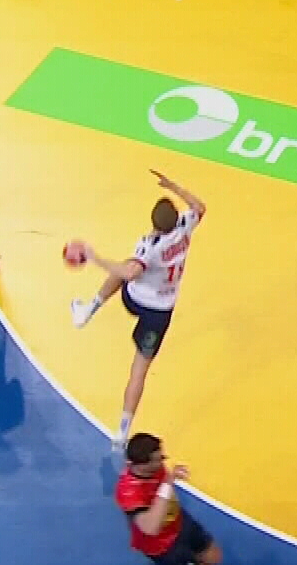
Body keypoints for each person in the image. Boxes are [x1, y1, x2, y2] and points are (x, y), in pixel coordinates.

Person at [69, 171, 205, 448]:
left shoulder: (149, 247)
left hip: (136, 299)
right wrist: (175, 186)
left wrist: (94, 258)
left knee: (122, 267)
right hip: (161, 312)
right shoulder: (185, 229)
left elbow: (129, 273)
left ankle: (88, 310)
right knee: (139, 371)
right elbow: (200, 207)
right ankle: (122, 430)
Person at [113, 433, 229, 565]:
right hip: (164, 547)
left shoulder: (154, 468)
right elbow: (150, 528)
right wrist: (167, 485)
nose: (162, 462)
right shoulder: (129, 492)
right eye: (157, 459)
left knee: (214, 557)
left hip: (180, 524)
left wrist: (168, 482)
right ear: (139, 465)